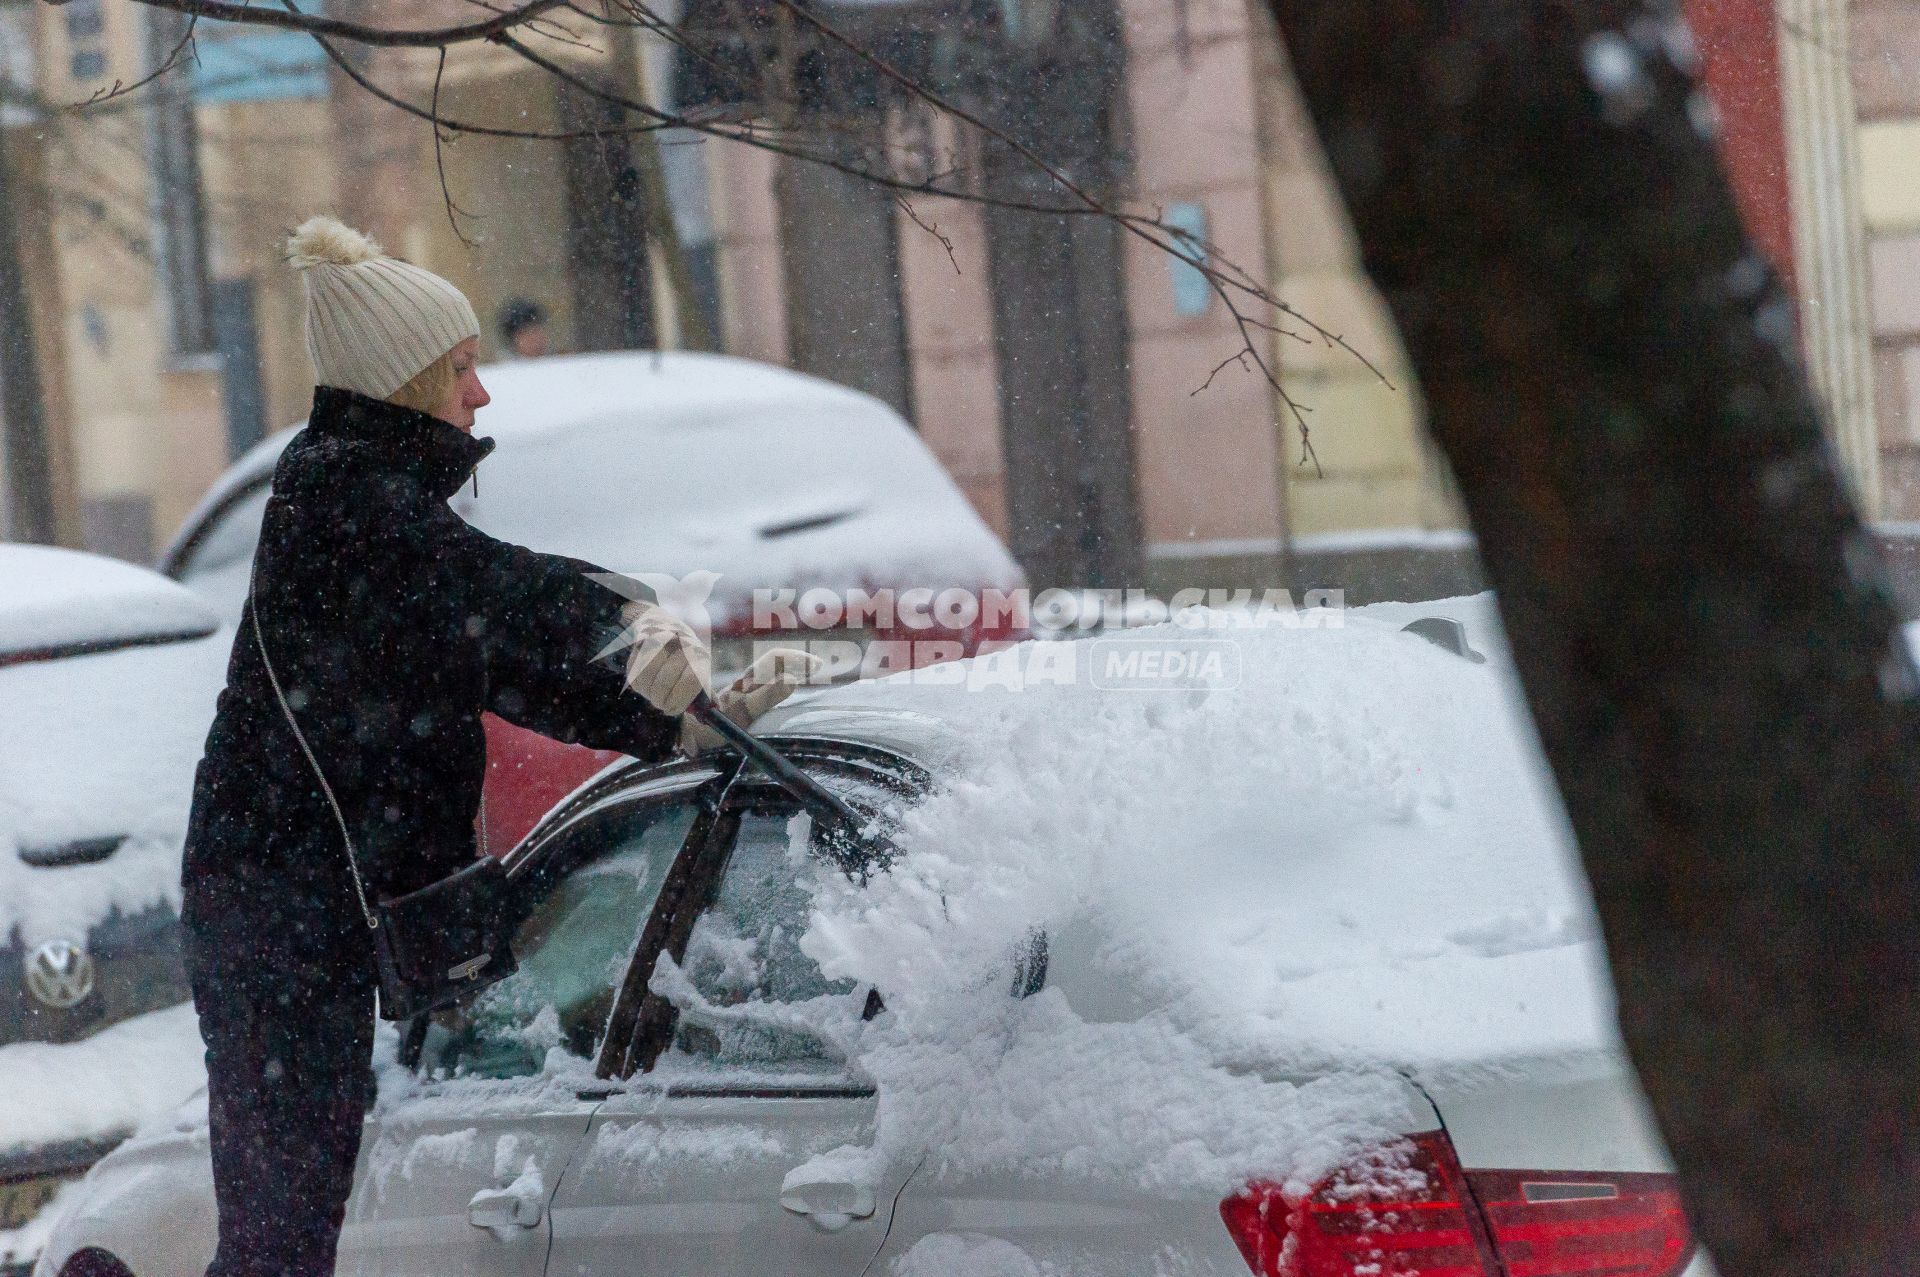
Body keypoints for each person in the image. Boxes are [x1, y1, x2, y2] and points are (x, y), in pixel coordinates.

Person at [179, 215, 810, 1276]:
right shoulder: (345, 498)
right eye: (460, 369)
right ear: (400, 380)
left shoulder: (365, 501)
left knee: (286, 1234)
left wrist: (673, 716)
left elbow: (508, 661)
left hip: (295, 908)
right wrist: (636, 620)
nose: (481, 395)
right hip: (275, 915)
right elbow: (498, 593)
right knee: (282, 1237)